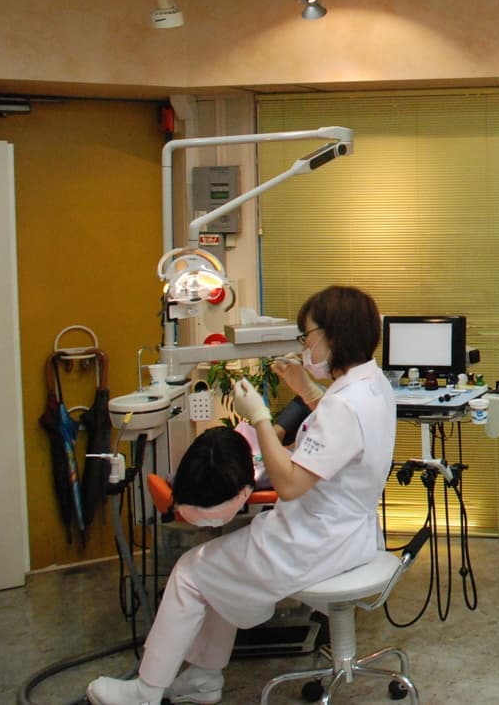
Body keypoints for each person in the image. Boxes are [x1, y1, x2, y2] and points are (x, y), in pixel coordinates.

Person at [88, 285, 396, 705]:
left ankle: (145, 692)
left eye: (307, 336)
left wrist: (261, 418)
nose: (304, 345)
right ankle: (202, 680)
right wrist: (306, 390)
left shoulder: (344, 404)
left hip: (312, 543)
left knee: (191, 572)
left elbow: (289, 484)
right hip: (348, 534)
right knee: (217, 573)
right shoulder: (372, 384)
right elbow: (341, 436)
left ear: (332, 335)